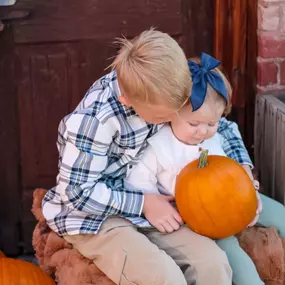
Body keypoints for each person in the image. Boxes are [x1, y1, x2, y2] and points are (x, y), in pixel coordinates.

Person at [42, 29, 257, 285]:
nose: (171, 119)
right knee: (165, 278)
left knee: (213, 264)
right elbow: (77, 194)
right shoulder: (91, 124)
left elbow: (218, 124)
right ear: (127, 100)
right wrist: (143, 203)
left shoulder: (166, 81)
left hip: (150, 200)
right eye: (163, 117)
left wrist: (243, 165)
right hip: (96, 217)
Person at [125, 52, 285, 285]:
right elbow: (138, 185)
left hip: (235, 198)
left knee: (280, 215)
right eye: (194, 124)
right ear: (173, 112)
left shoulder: (215, 134)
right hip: (201, 219)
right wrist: (154, 203)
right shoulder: (158, 147)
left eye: (212, 123)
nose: (203, 132)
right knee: (236, 261)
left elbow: (233, 165)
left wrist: (249, 187)